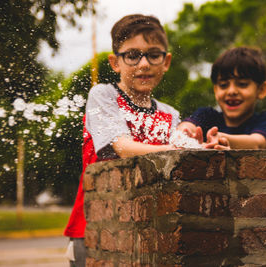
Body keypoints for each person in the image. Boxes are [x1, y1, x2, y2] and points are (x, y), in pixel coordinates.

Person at [63, 14, 180, 267]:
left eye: (153, 54)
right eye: (132, 55)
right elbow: (122, 147)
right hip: (94, 227)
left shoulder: (170, 114)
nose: (144, 63)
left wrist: (205, 147)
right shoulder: (103, 96)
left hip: (147, 231)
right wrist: (176, 149)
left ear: (166, 61)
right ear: (115, 62)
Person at [178, 47, 266, 150]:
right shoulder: (206, 116)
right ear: (215, 90)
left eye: (242, 84)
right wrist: (185, 134)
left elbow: (257, 143)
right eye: (223, 85)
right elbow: (186, 127)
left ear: (262, 90)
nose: (231, 91)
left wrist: (221, 139)